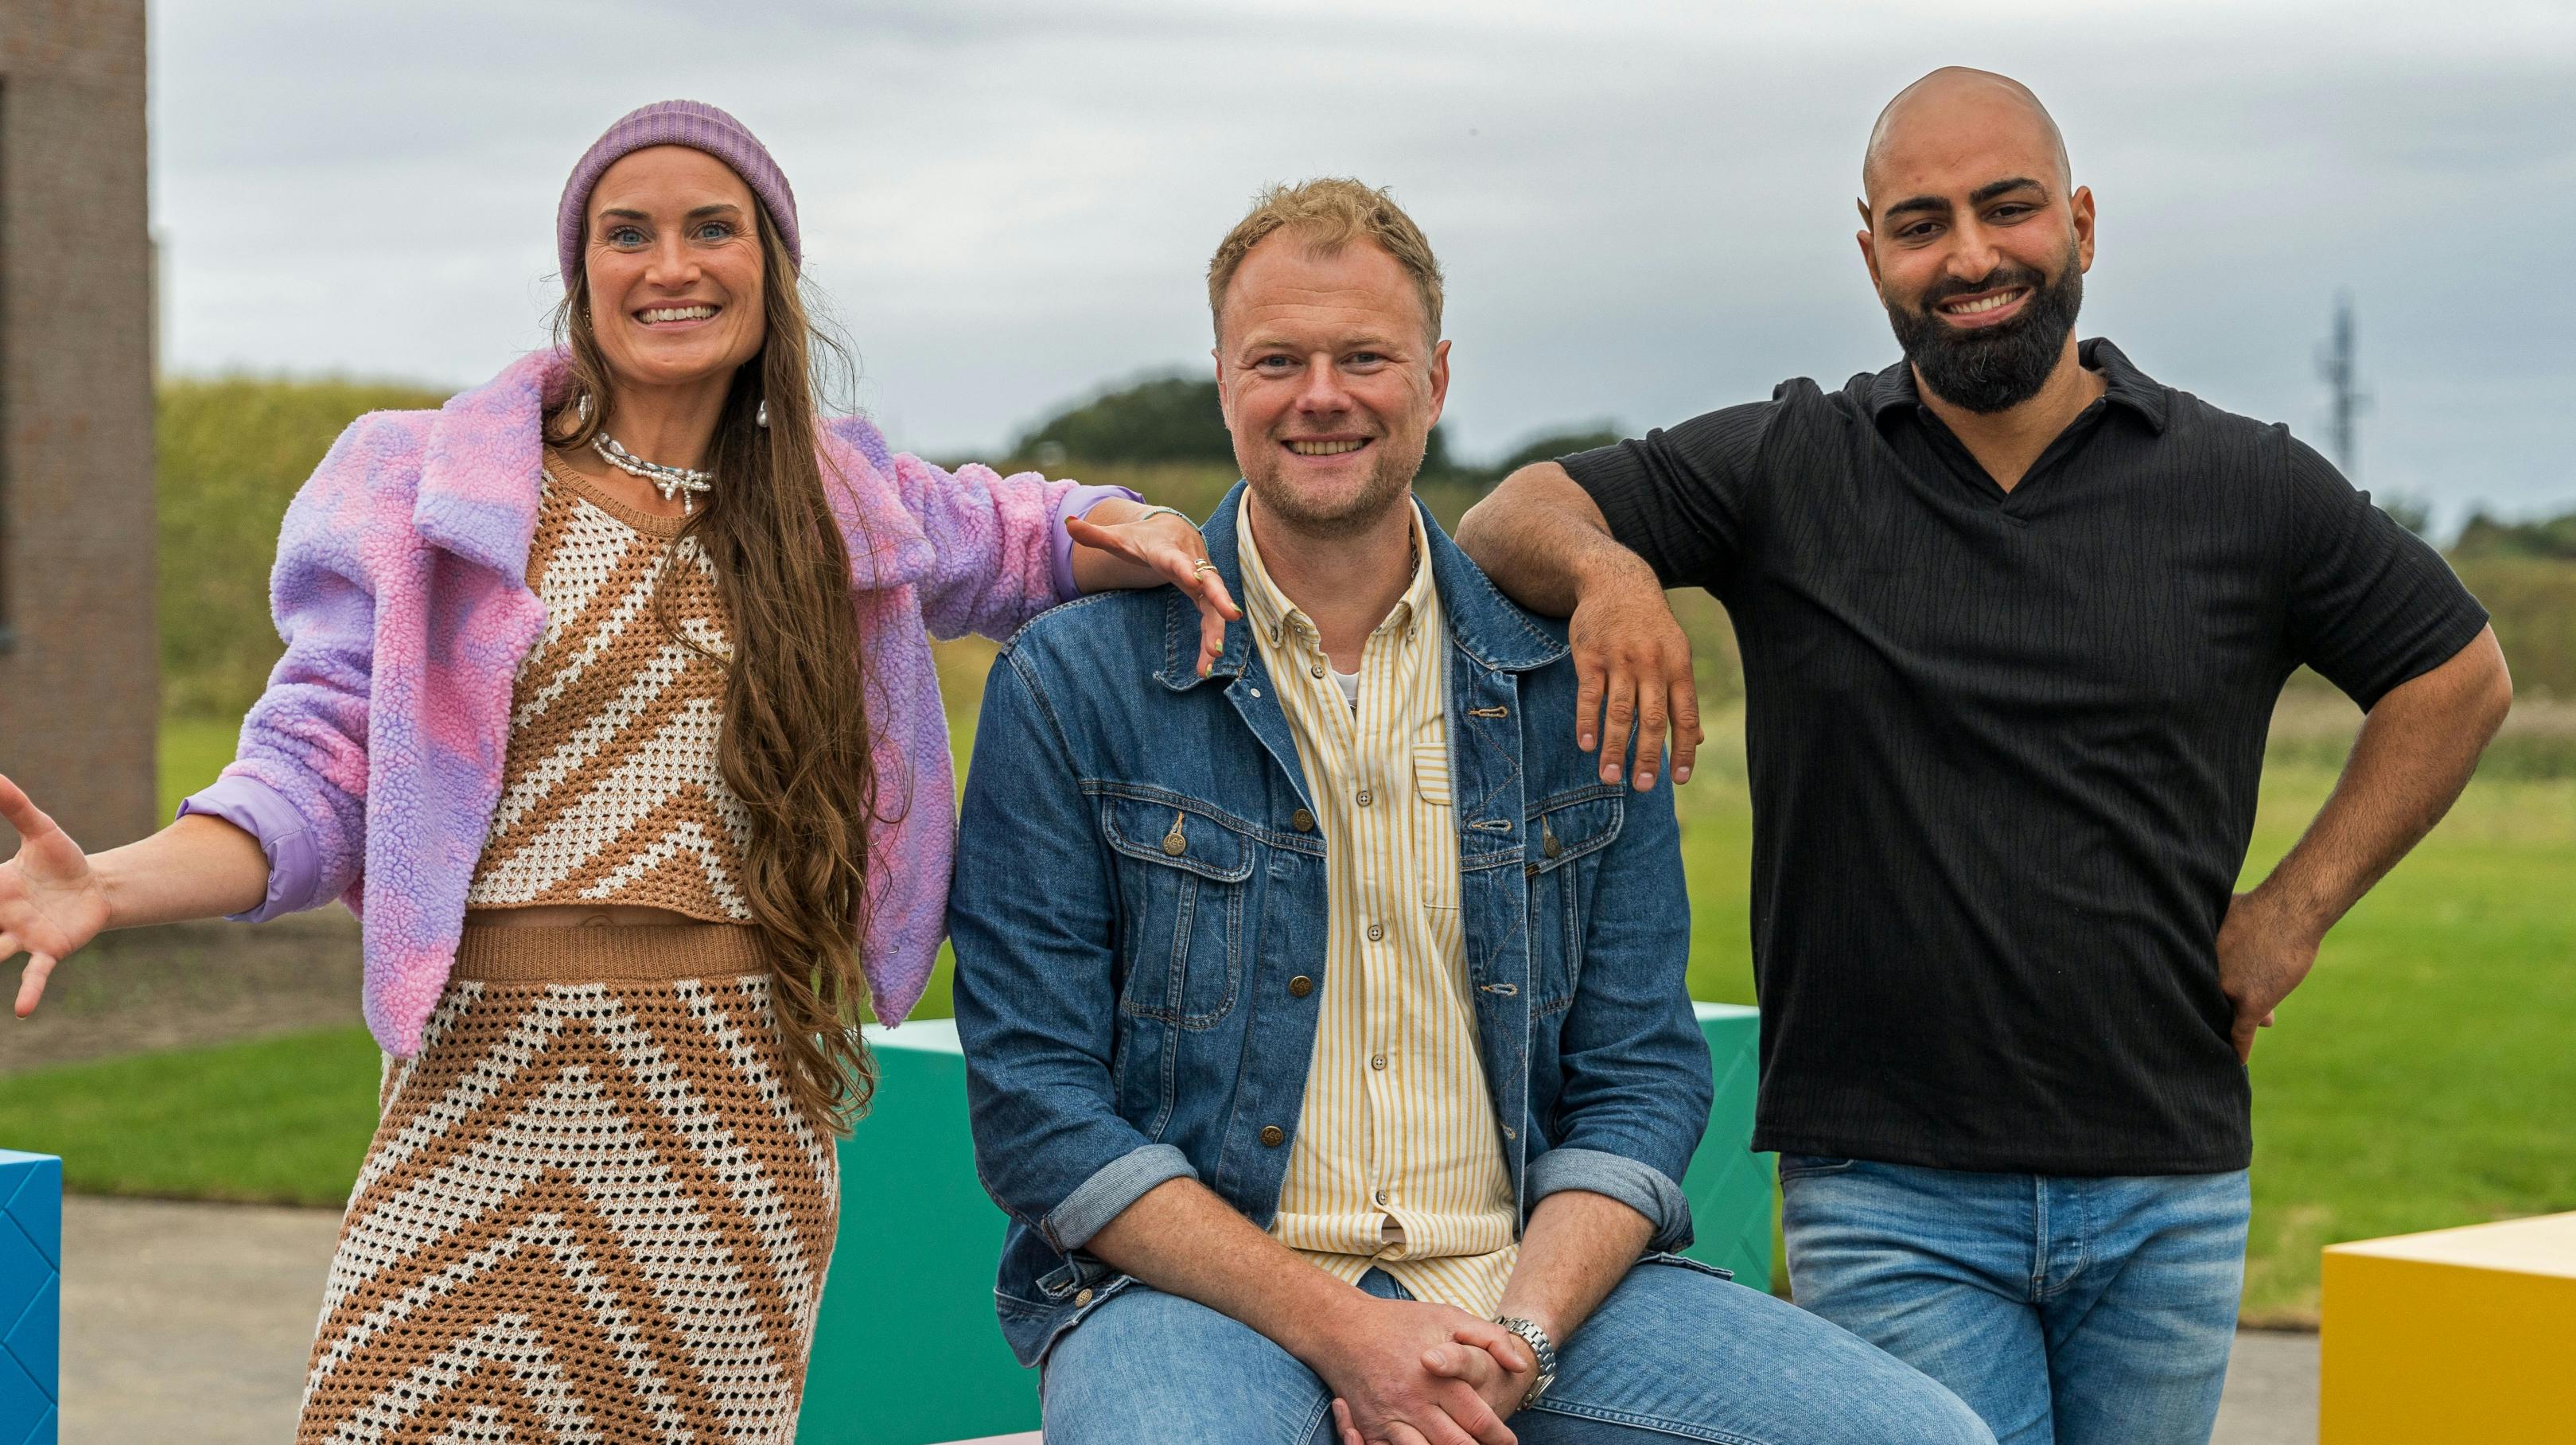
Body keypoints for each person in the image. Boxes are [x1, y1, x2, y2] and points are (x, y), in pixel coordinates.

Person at [0, 99, 1235, 1441]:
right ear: (580, 273)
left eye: (712, 229)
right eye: (626, 232)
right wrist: (110, 888)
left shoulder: (843, 501)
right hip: (480, 1089)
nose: (670, 265)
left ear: (770, 264)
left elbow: (1033, 539)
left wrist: (1157, 529)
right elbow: (314, 771)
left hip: (739, 1117)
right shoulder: (433, 489)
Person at [1453, 68, 2513, 1445]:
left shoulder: (2244, 483)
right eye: (1919, 223)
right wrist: (1611, 575)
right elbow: (1503, 518)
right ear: (1869, 253)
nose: (1967, 256)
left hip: (2165, 1181)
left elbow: (2457, 676)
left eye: (2005, 209)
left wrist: (2292, 913)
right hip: (1885, 1186)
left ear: (2078, 221)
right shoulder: (1790, 463)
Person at [948, 177, 1994, 1445]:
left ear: (1435, 380)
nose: (1320, 394)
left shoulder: (1570, 679)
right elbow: (1037, 1107)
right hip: (1198, 1293)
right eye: (1277, 360)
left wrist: (1522, 1338)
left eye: (1365, 358)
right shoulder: (1074, 678)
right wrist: (1347, 1333)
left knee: (1925, 1439)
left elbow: (1639, 1076)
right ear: (1224, 380)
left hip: (1524, 1282)